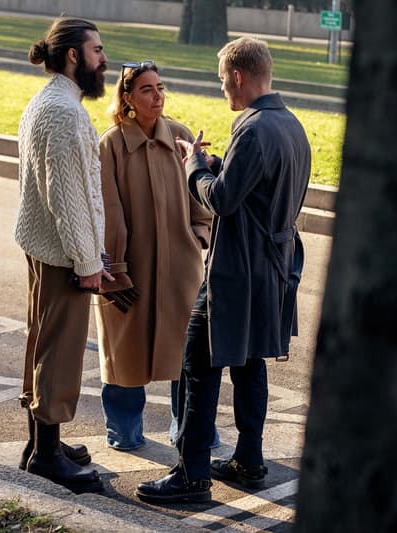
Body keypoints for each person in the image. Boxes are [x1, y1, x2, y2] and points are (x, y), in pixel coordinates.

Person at [136, 36, 311, 504]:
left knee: (198, 365)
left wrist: (194, 165)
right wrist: (216, 162)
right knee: (251, 365)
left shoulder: (251, 128)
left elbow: (223, 199)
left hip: (236, 271)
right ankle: (250, 461)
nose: (221, 91)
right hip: (274, 269)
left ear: (237, 76)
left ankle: (191, 475)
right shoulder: (290, 124)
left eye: (221, 82)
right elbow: (258, 187)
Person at [13, 16, 112, 494]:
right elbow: (68, 197)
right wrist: (88, 263)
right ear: (73, 55)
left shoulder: (46, 102)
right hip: (63, 257)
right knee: (59, 354)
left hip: (43, 249)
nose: (103, 59)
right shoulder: (64, 112)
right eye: (96, 51)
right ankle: (47, 457)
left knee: (41, 343)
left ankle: (40, 445)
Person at [95, 61, 212, 451]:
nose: (157, 96)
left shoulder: (178, 134)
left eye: (161, 88)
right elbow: (108, 212)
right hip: (132, 268)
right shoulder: (110, 144)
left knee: (187, 352)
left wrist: (200, 231)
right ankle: (124, 433)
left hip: (181, 267)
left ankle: (191, 431)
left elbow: (198, 193)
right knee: (124, 356)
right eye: (147, 89)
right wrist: (116, 269)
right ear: (127, 98)